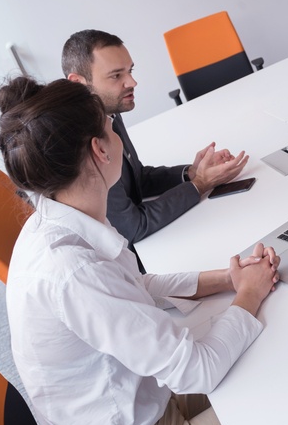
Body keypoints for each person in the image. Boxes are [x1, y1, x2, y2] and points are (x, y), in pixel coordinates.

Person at [0, 76, 280, 425]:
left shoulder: (58, 219)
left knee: (264, 354)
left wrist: (228, 280)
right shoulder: (74, 271)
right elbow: (198, 370)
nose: (118, 135)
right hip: (141, 423)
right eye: (111, 127)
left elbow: (134, 285)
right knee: (281, 401)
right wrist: (250, 293)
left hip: (140, 394)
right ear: (100, 151)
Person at [62, 30, 248, 261]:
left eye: (129, 71)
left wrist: (191, 172)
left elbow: (136, 179)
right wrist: (202, 184)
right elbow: (133, 227)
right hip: (119, 263)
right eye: (116, 75)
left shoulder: (107, 112)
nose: (132, 82)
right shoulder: (84, 147)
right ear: (79, 83)